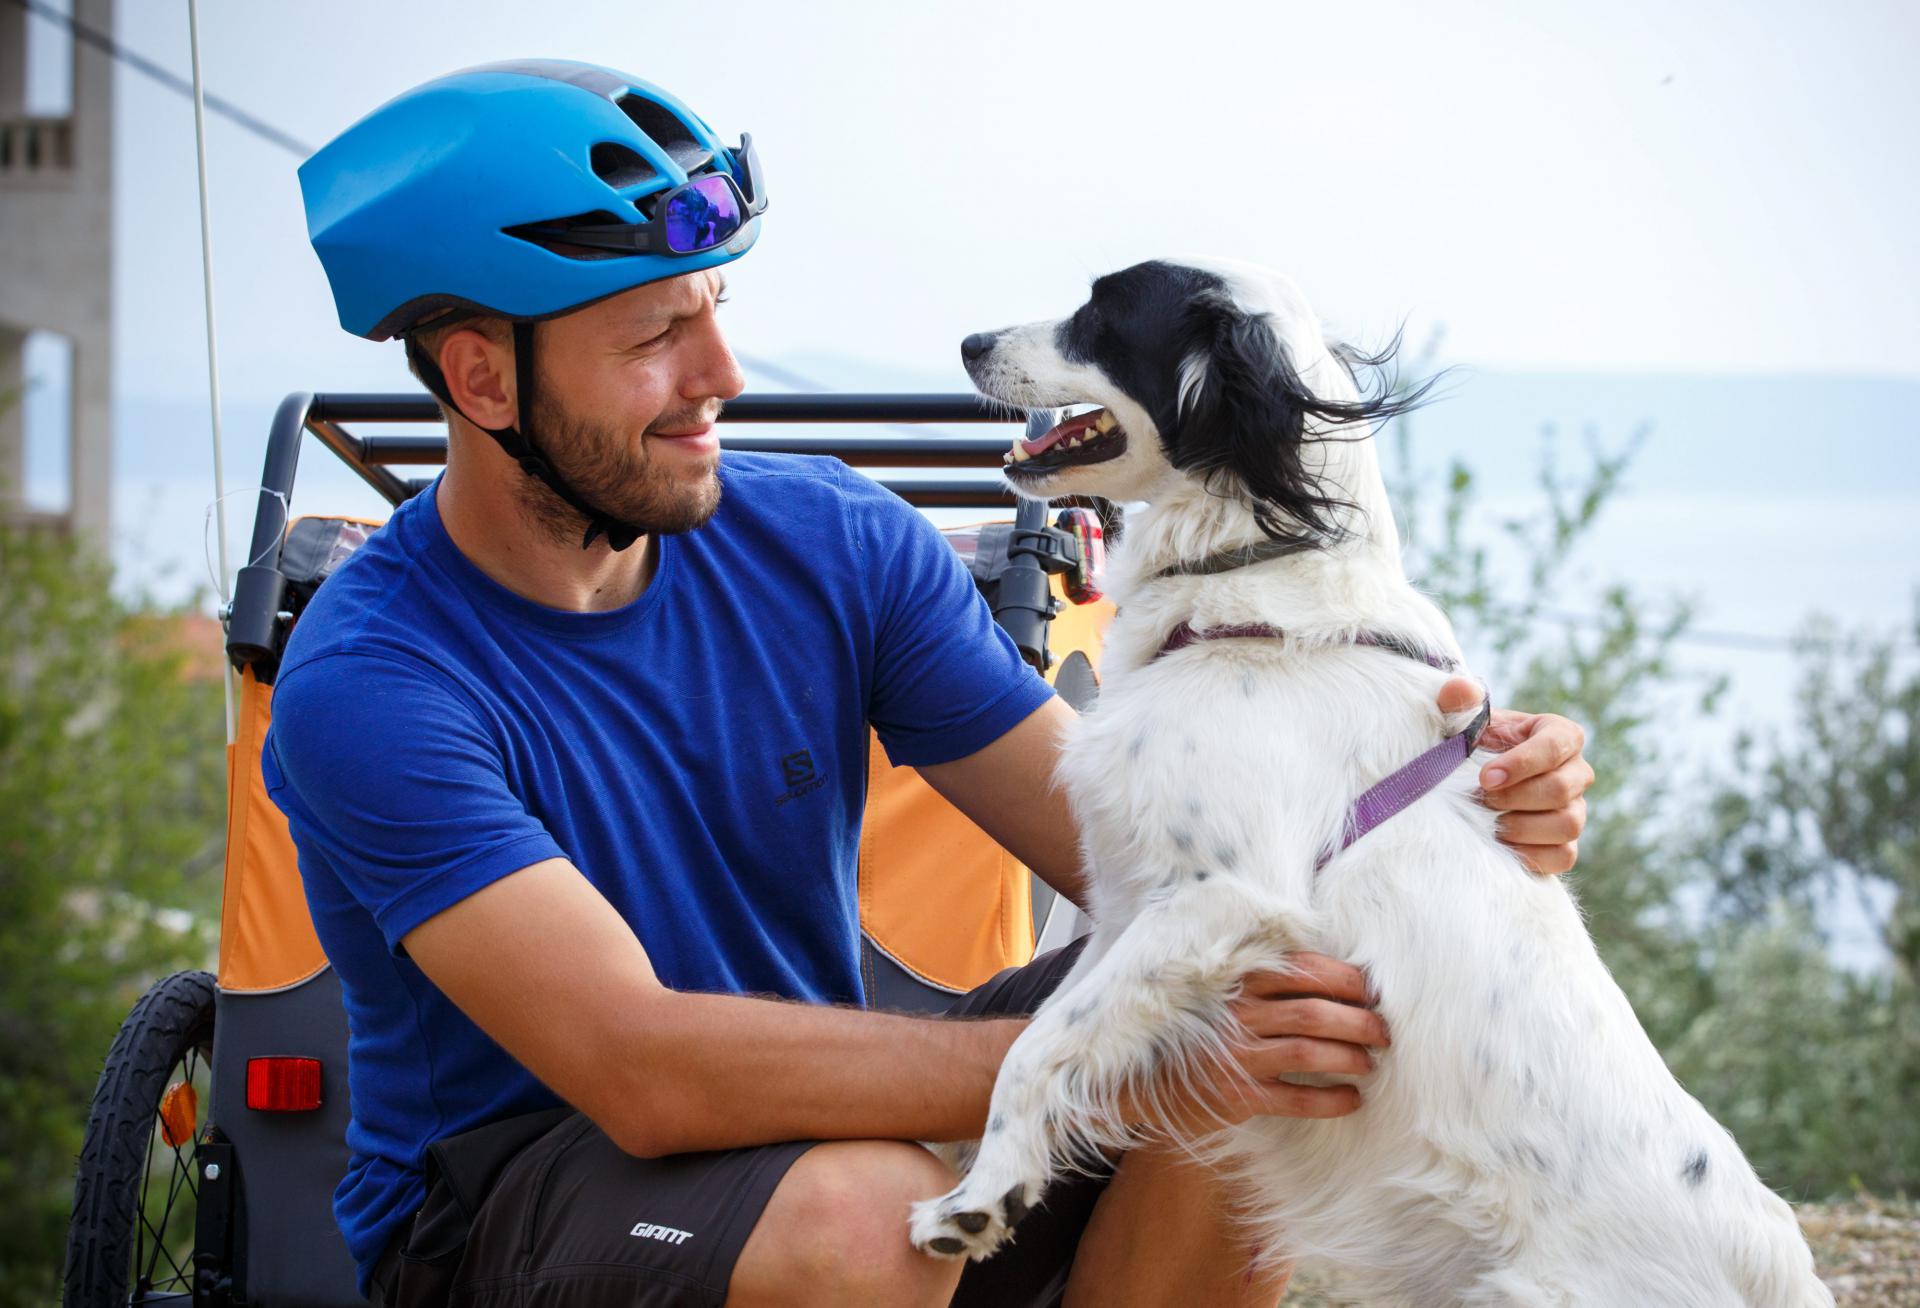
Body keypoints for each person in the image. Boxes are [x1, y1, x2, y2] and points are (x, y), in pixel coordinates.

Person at [280, 60, 1595, 1308]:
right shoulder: (377, 680)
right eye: (650, 339)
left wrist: (1456, 818)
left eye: (714, 317)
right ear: (479, 375)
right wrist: (1118, 1067)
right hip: (513, 1204)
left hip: (818, 1151)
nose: (719, 383)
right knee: (875, 1214)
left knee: (1272, 993)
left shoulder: (825, 541)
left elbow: (1136, 854)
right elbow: (642, 1070)